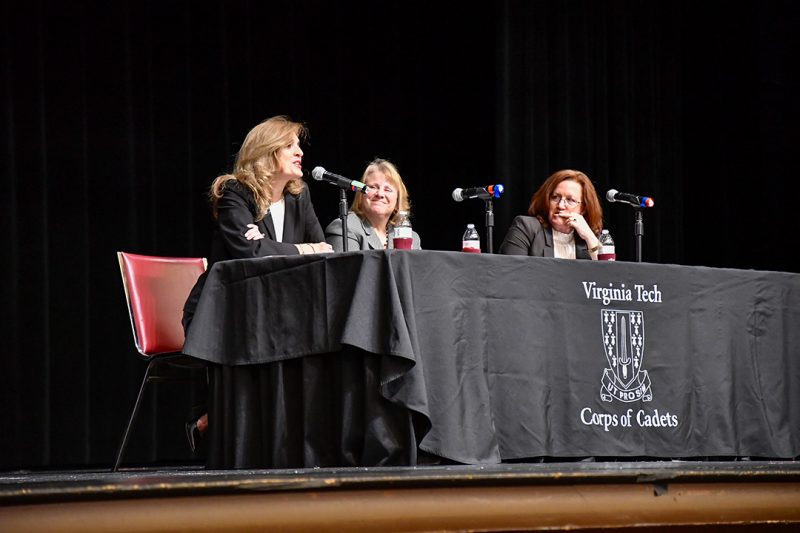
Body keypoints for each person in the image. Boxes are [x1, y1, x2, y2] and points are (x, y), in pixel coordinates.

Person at [182, 115, 332, 452]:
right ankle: (222, 422)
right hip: (225, 311)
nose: (300, 153)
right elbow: (250, 252)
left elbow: (322, 251)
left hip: (279, 310)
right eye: (290, 146)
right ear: (267, 151)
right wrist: (300, 248)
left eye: (298, 146)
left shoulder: (299, 197)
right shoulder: (235, 192)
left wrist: (274, 247)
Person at [499, 169, 603, 259]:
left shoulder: (589, 239)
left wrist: (590, 237)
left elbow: (607, 275)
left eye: (570, 200)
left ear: (583, 208)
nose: (561, 205)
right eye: (555, 197)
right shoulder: (526, 227)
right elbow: (511, 272)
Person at [324, 158, 421, 251]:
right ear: (361, 195)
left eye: (387, 189)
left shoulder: (411, 238)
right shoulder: (344, 228)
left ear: (397, 202)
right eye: (373, 187)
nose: (380, 194)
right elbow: (346, 268)